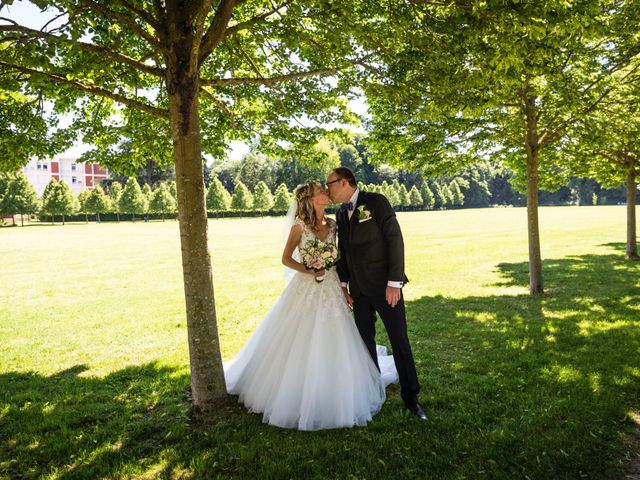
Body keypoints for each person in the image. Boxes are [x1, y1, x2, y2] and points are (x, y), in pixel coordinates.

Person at [224, 182, 398, 431]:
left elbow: (336, 260)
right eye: (321, 190)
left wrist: (341, 288)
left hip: (331, 286)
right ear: (311, 198)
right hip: (305, 287)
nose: (326, 192)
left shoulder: (333, 224)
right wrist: (308, 269)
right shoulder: (299, 226)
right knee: (300, 334)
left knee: (337, 335)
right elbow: (285, 258)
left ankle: (335, 386)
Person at [325, 167, 427, 421]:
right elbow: (344, 251)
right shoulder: (340, 213)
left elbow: (395, 240)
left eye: (330, 184)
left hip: (385, 287)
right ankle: (372, 391)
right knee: (364, 343)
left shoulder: (376, 202)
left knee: (399, 340)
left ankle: (411, 396)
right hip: (358, 291)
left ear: (345, 182)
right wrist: (343, 284)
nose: (327, 190)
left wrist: (394, 282)